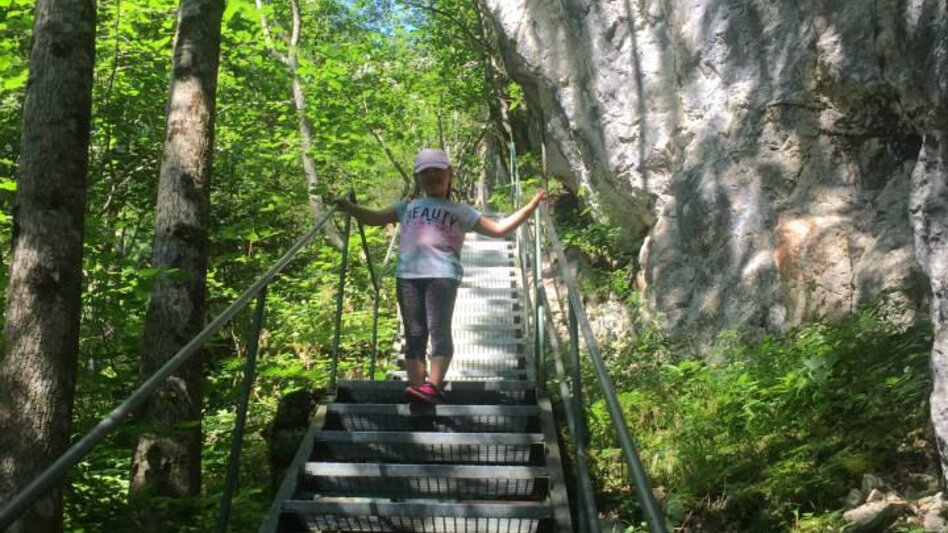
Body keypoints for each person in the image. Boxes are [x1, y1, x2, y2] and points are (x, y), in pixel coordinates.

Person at [334, 147, 546, 404]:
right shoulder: (408, 206)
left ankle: (432, 387)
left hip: (442, 275)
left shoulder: (460, 210)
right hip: (407, 275)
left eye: (437, 170)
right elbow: (376, 218)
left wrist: (531, 207)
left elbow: (499, 229)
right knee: (414, 332)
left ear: (449, 174)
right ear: (418, 178)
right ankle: (417, 389)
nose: (431, 175)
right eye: (425, 172)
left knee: (439, 330)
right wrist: (351, 207)